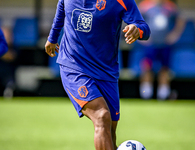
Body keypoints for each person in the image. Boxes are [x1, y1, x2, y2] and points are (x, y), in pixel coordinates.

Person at [45, 0, 150, 150]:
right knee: (101, 116)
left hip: (106, 72)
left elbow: (145, 28)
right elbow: (62, 6)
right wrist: (52, 37)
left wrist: (137, 30)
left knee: (110, 131)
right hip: (74, 66)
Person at [137, 0, 185, 100]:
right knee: (147, 67)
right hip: (150, 44)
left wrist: (175, 35)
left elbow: (181, 19)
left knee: (164, 69)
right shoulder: (145, 5)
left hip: (165, 44)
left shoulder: (170, 6)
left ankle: (163, 95)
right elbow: (134, 19)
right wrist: (140, 36)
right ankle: (146, 94)